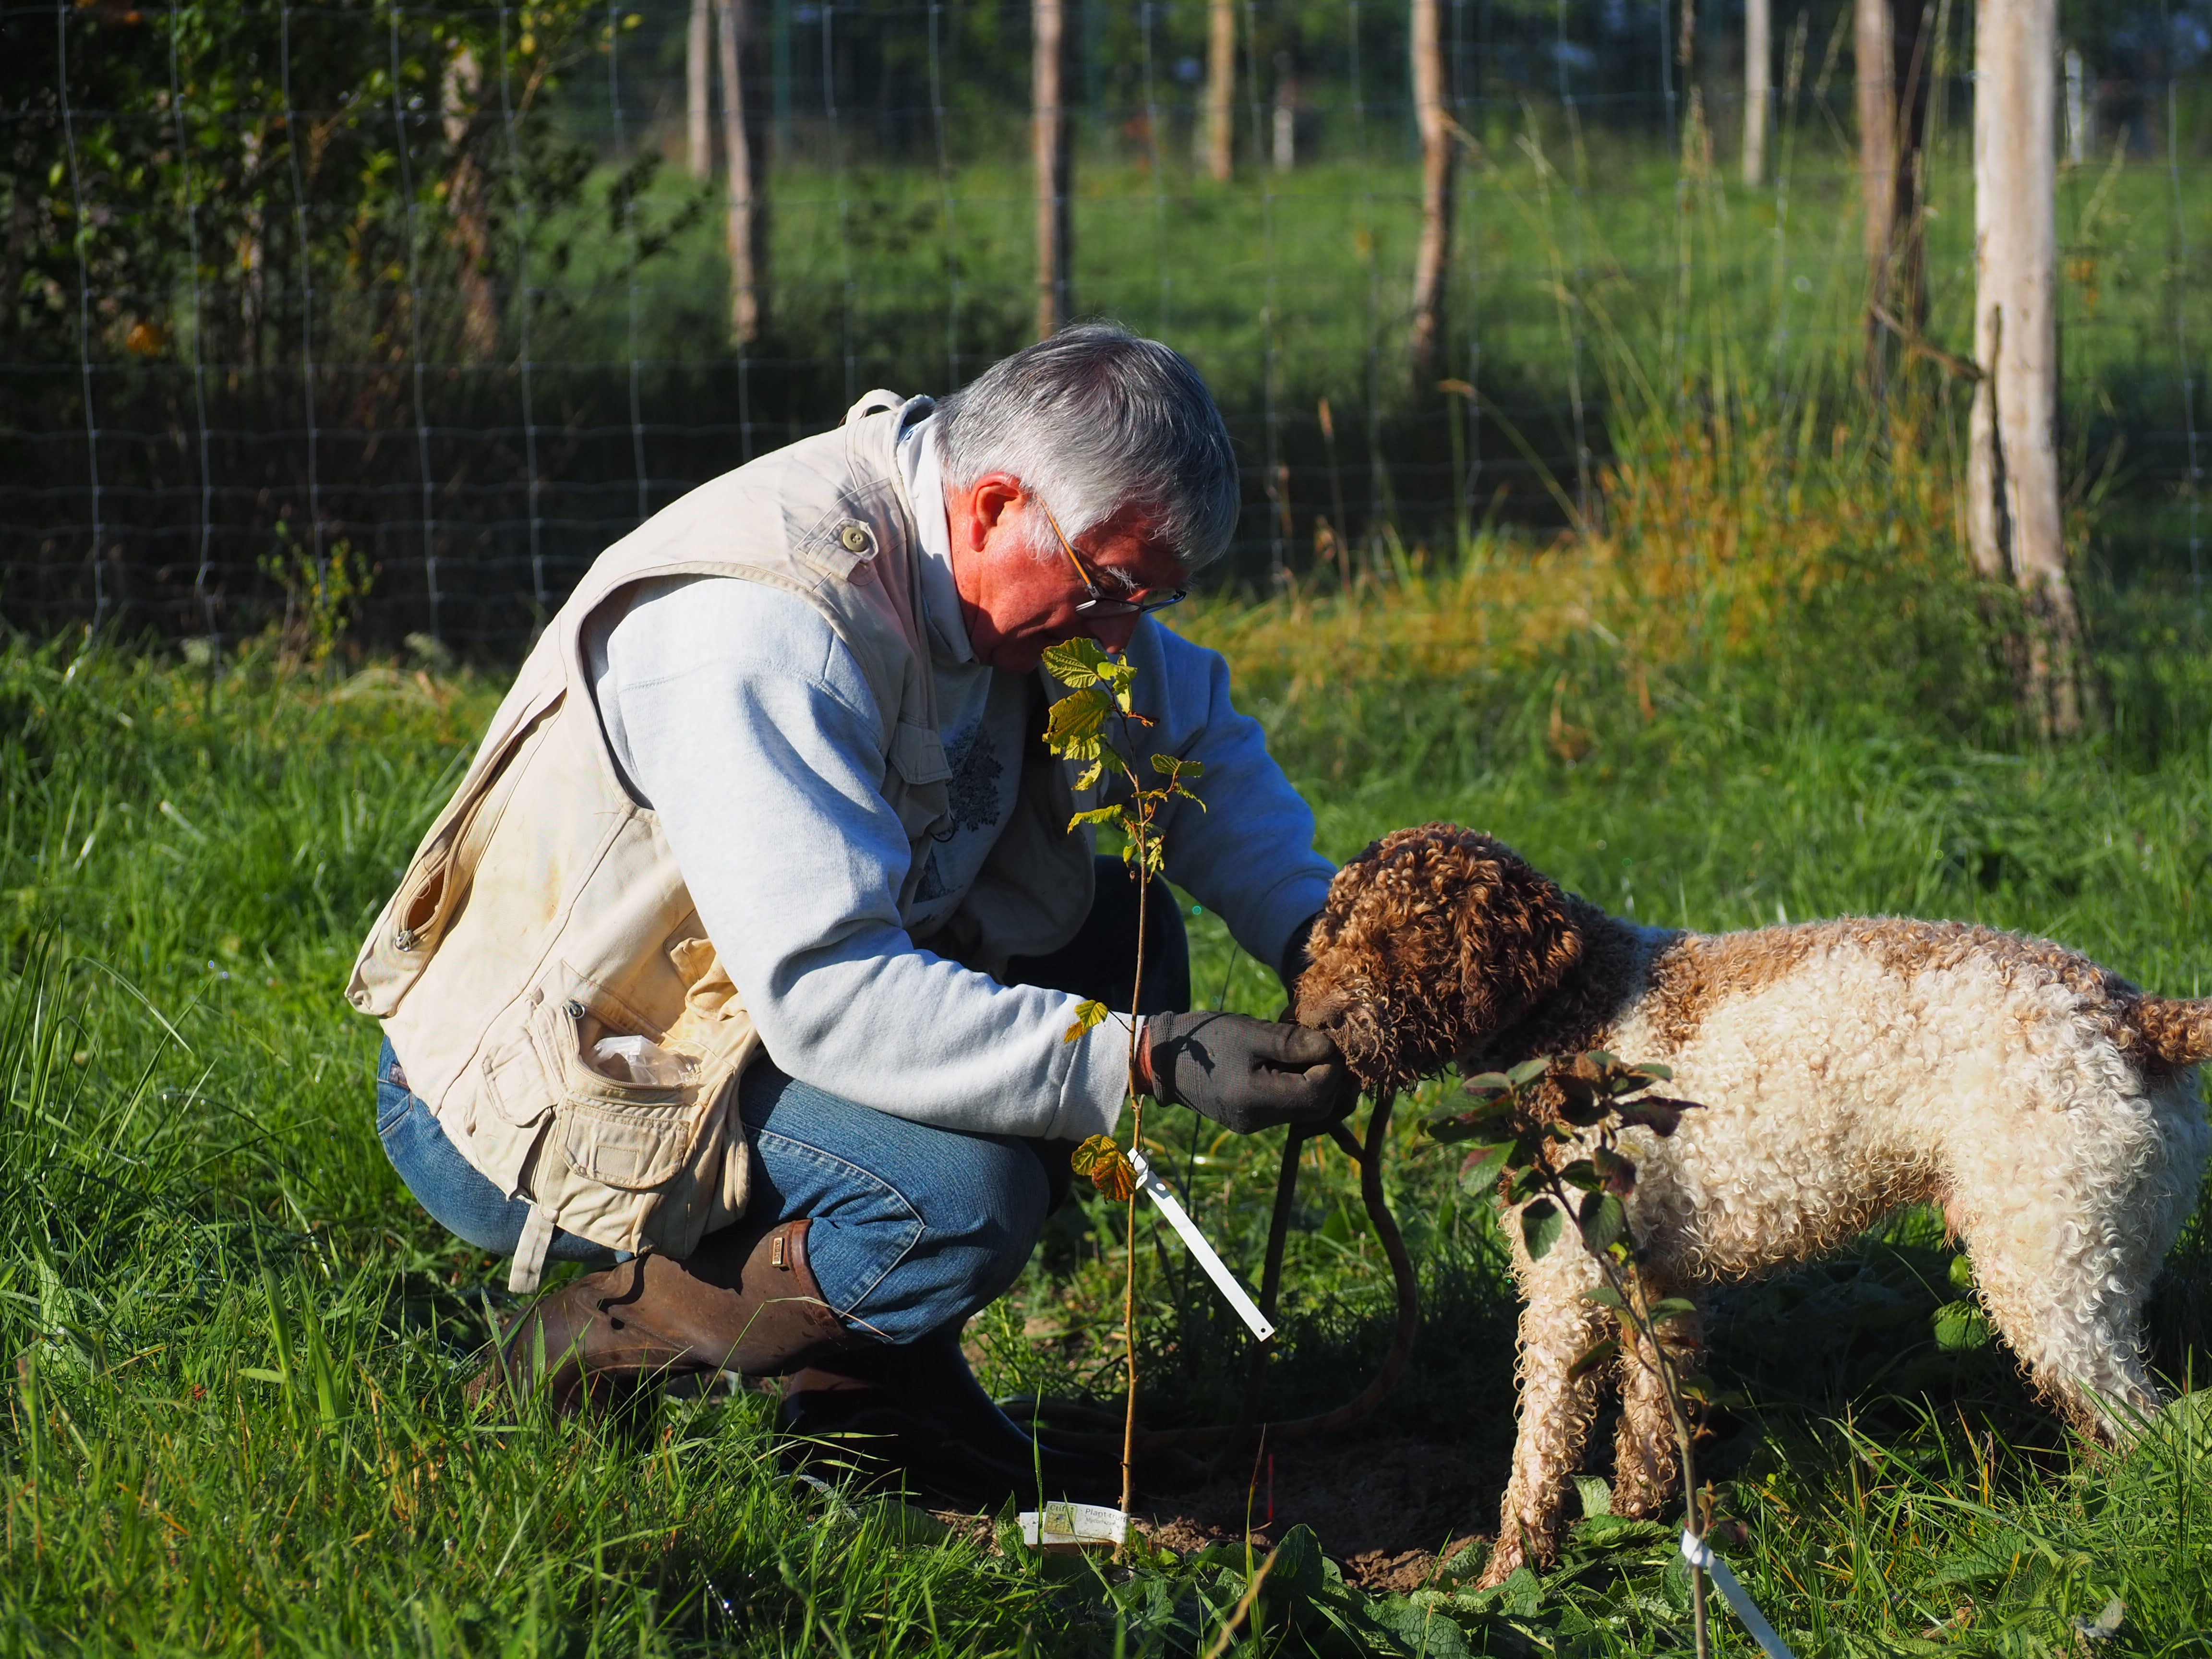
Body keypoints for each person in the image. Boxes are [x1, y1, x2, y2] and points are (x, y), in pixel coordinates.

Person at [351, 324, 1353, 1509]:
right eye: (1113, 590)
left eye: (1154, 597)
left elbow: (1196, 750)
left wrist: (1325, 945)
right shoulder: (770, 627)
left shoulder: (1024, 573)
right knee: (960, 1201)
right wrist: (1147, 1058)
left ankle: (869, 1405)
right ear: (994, 505)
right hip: (558, 1088)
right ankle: (605, 1332)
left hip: (750, 1021)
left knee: (1117, 937)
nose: (1123, 632)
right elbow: (831, 998)